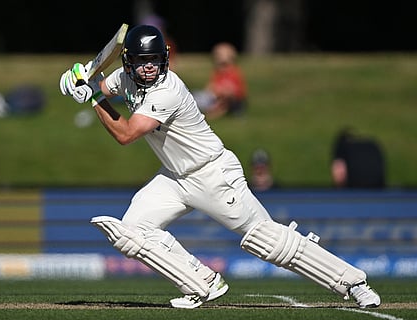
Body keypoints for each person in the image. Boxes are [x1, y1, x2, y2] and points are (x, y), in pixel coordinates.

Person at [59, 25, 380, 309]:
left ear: (164, 60)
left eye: (154, 60)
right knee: (132, 232)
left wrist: (91, 98)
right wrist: (76, 82)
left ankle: (353, 282)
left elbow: (126, 134)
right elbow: (97, 85)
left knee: (266, 241)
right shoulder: (124, 77)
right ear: (129, 62)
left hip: (212, 174)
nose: (148, 68)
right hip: (174, 177)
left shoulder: (167, 90)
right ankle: (202, 284)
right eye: (142, 62)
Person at [193, 42, 247, 119]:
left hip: (227, 101)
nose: (216, 57)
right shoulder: (218, 73)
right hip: (214, 98)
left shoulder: (233, 73)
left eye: (219, 54)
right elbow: (210, 86)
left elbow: (233, 92)